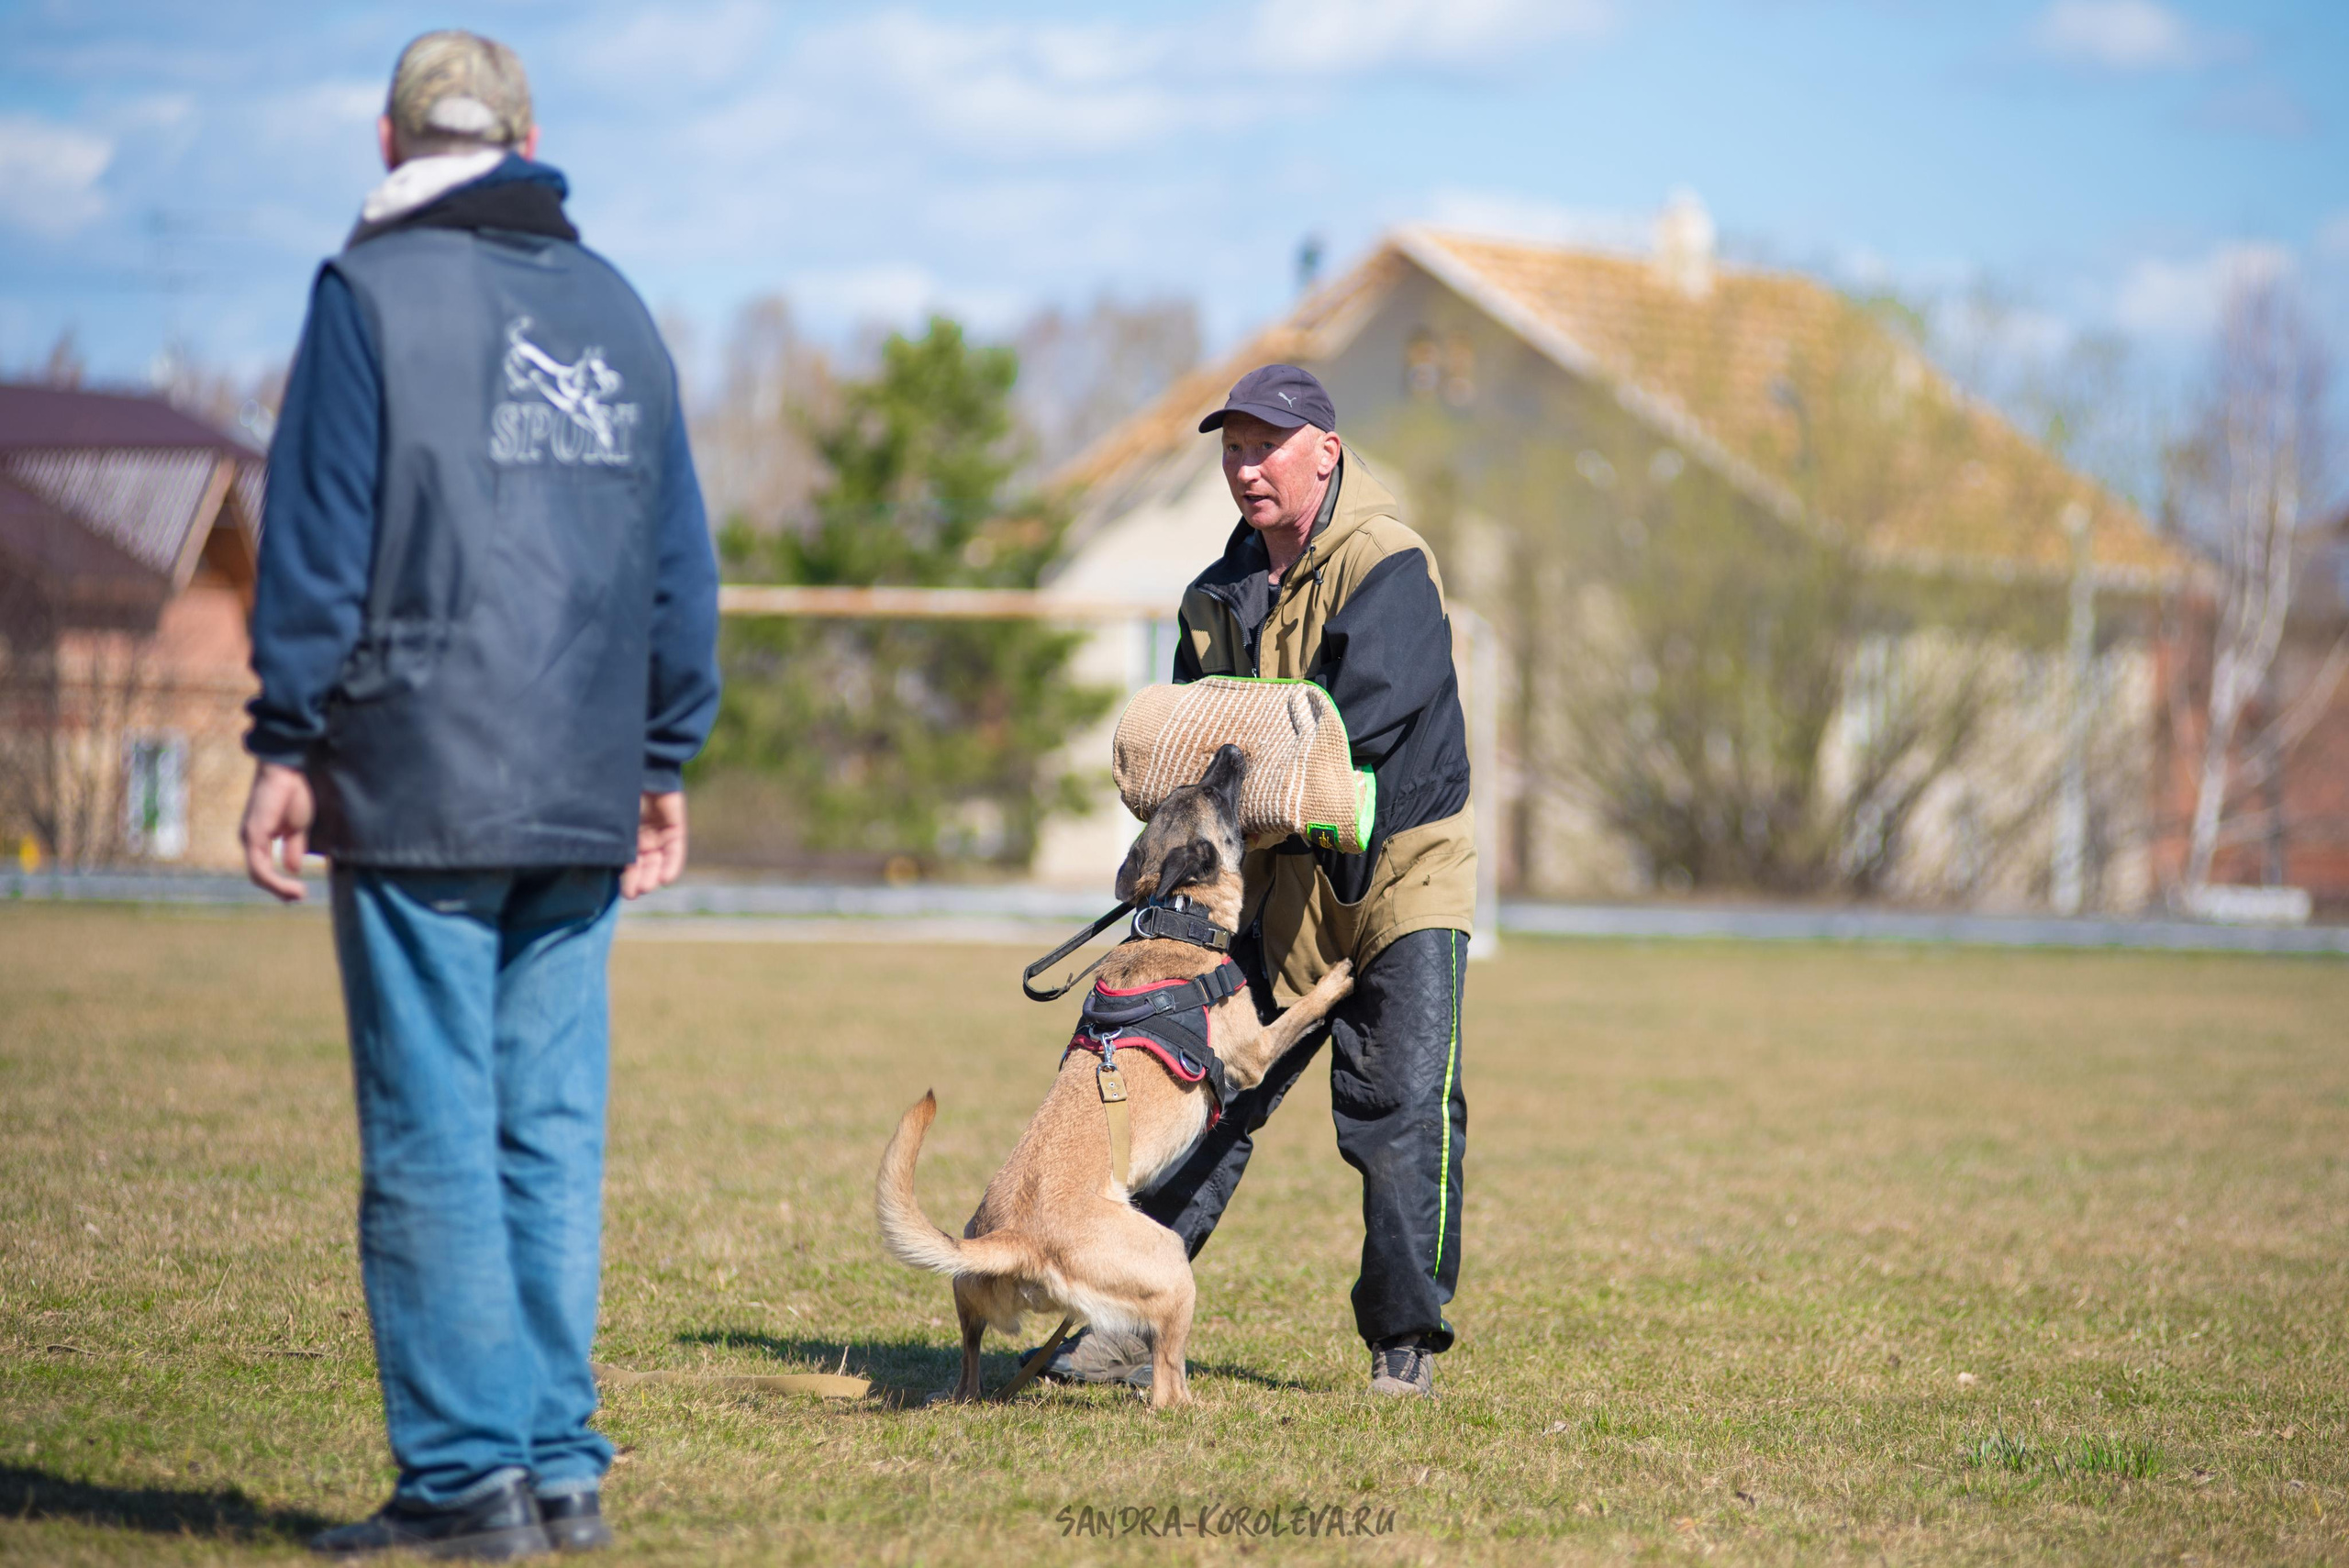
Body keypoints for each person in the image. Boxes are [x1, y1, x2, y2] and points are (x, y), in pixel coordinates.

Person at [239, 30, 718, 1559]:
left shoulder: (363, 293)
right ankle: (558, 1466)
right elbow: (678, 568)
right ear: (527, 138)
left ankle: (462, 1486)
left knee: (436, 1126)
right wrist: (662, 757)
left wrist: (280, 736)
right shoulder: (621, 309)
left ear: (389, 142)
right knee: (547, 1129)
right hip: (582, 779)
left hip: (417, 770)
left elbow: (317, 541)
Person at [1047, 365, 1474, 1398]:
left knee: (1399, 1106)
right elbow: (1193, 755)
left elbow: (1333, 737)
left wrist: (1220, 744)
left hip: (1397, 875)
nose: (1246, 467)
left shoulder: (1388, 564)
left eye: (1267, 445)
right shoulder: (1213, 593)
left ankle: (1403, 1343)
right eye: (1232, 448)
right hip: (1269, 884)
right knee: (1202, 1090)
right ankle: (1121, 1312)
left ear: (1325, 449)